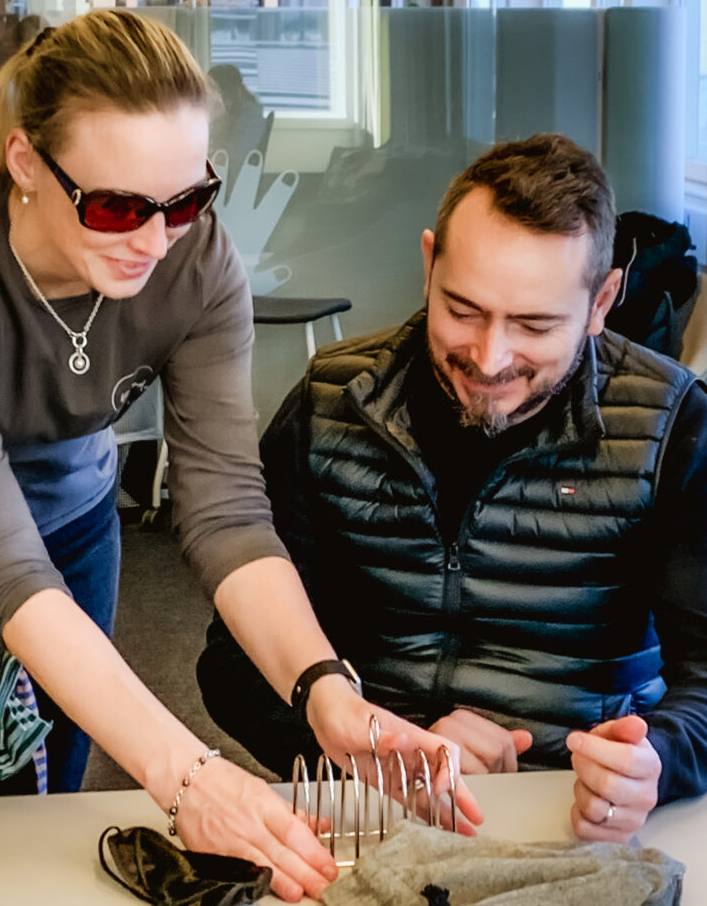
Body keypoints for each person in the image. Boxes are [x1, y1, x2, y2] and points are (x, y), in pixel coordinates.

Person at [0, 9, 481, 903]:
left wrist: (324, 692)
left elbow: (226, 506)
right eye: (116, 206)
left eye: (186, 201)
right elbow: (0, 562)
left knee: (44, 796)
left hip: (74, 526)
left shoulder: (196, 265)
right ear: (28, 163)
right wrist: (187, 775)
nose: (155, 242)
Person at [199, 133, 707, 845]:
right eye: (463, 310)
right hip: (367, 811)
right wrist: (372, 756)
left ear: (601, 303)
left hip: (577, 818)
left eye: (533, 325)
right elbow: (233, 663)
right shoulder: (329, 402)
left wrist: (654, 760)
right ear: (429, 260)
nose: (489, 358)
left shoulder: (670, 422)